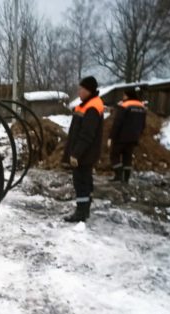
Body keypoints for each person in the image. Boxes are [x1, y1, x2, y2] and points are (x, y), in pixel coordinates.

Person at [63, 76, 104, 222]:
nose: (79, 91)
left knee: (81, 182)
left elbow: (87, 134)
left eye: (81, 89)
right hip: (86, 153)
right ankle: (84, 210)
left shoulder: (92, 107)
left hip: (84, 154)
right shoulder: (87, 104)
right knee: (85, 181)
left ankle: (81, 213)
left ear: (89, 90)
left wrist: (76, 154)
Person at [108, 88, 146, 184]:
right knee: (127, 157)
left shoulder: (125, 105)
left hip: (121, 137)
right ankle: (126, 179)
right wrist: (139, 134)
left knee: (114, 154)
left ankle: (119, 175)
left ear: (128, 95)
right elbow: (143, 124)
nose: (123, 97)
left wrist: (111, 136)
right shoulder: (142, 107)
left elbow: (118, 123)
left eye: (124, 95)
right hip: (134, 137)